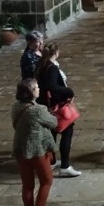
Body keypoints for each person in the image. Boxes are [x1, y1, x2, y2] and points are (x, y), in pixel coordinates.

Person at [11, 78, 57, 206]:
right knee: (47, 181)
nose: (39, 89)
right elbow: (53, 123)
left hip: (21, 150)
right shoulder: (38, 110)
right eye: (36, 87)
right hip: (37, 151)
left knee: (27, 185)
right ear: (29, 92)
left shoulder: (16, 107)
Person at [35, 42, 81, 177]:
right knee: (67, 132)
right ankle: (65, 166)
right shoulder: (52, 68)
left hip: (45, 105)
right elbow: (52, 86)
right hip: (56, 106)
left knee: (52, 133)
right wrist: (68, 91)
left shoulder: (41, 64)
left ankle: (52, 160)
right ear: (56, 52)